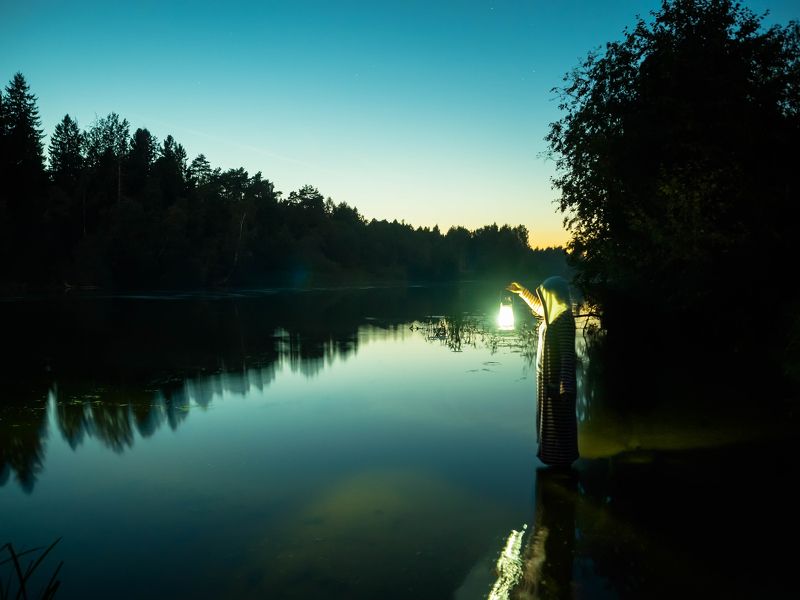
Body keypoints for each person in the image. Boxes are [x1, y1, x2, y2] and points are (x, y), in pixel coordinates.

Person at [506, 277, 578, 467]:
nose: (544, 300)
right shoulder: (553, 315)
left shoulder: (563, 319)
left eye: (547, 295)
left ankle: (562, 465)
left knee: (559, 421)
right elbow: (539, 307)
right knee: (549, 420)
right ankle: (553, 460)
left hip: (557, 382)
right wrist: (522, 292)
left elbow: (567, 356)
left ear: (555, 296)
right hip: (545, 378)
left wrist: (564, 387)